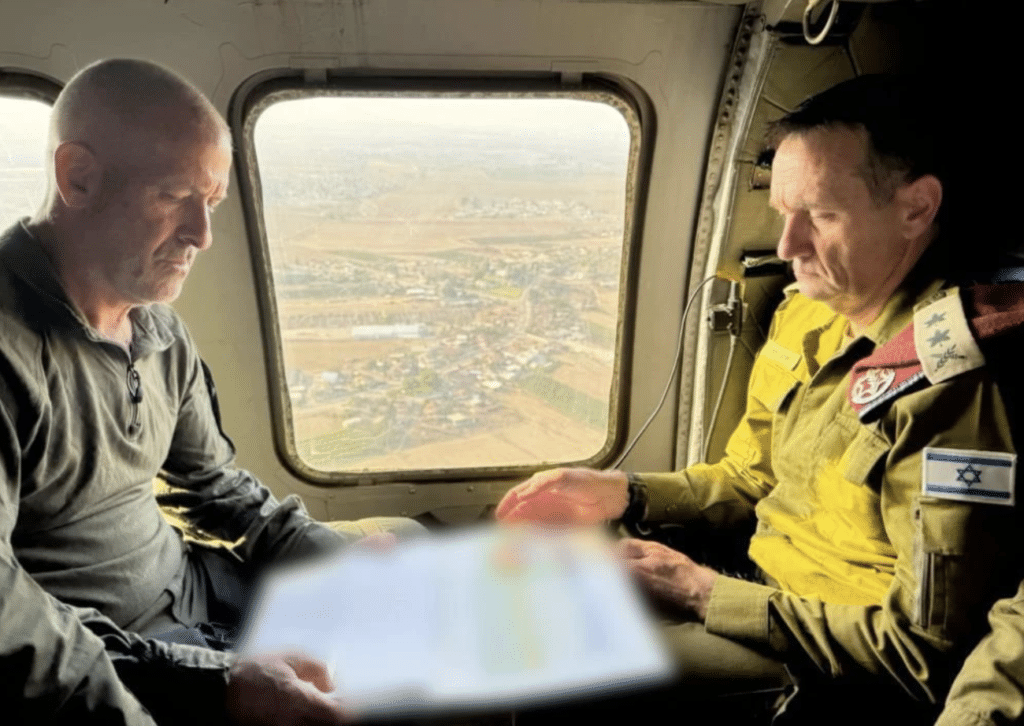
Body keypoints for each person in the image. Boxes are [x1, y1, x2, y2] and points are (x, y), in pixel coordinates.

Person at [497, 74, 1024, 722]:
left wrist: (701, 593)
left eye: (821, 217)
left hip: (831, 660)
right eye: (784, 214)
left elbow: (920, 651)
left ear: (917, 208)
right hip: (751, 581)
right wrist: (622, 491)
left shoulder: (958, 390)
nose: (787, 248)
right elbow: (751, 477)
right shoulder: (808, 313)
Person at [0, 58, 420, 725]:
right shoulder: (10, 352)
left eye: (212, 203)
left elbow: (214, 487)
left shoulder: (157, 328)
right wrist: (216, 685)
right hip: (107, 656)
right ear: (78, 178)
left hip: (200, 593)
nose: (202, 235)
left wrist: (332, 558)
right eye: (174, 196)